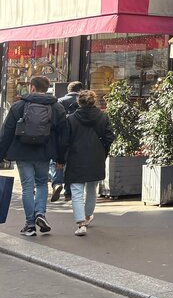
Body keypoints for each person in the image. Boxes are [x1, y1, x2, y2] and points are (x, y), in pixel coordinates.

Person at [0, 76, 68, 237]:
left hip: (22, 152)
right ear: (48, 88)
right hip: (45, 152)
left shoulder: (19, 106)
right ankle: (40, 214)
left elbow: (7, 132)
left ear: (32, 87)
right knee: (42, 183)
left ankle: (30, 225)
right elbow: (63, 135)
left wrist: (1, 155)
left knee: (27, 187)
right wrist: (61, 158)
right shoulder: (57, 107)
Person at [63, 90, 113, 236]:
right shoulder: (103, 117)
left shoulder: (71, 119)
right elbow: (109, 137)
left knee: (77, 191)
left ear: (79, 102)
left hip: (76, 156)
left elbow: (65, 140)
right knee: (92, 189)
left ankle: (80, 223)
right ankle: (87, 216)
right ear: (93, 101)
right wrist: (103, 150)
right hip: (96, 156)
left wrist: (62, 158)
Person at [52, 81, 84, 202]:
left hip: (61, 136)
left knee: (57, 161)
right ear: (80, 90)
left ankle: (57, 182)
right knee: (72, 164)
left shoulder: (59, 101)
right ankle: (68, 193)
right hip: (77, 137)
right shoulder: (82, 102)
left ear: (68, 90)